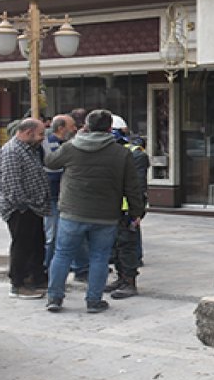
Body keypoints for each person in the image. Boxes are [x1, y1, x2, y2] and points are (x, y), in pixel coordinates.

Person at [43, 109, 146, 313]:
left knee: (62, 254)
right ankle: (93, 301)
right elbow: (132, 187)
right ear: (110, 128)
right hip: (106, 214)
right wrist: (136, 213)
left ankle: (54, 298)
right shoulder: (121, 153)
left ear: (86, 127)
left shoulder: (71, 147)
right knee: (99, 257)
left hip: (72, 211)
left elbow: (50, 162)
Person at [0, 118, 50, 299]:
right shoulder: (12, 152)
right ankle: (19, 283)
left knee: (35, 244)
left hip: (33, 206)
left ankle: (35, 278)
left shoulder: (30, 149)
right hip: (21, 208)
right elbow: (12, 185)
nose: (43, 138)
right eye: (40, 134)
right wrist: (24, 206)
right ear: (27, 132)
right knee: (22, 246)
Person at [107, 117, 149, 299]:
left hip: (127, 209)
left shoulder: (135, 154)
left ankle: (130, 282)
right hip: (112, 206)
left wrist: (136, 212)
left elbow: (137, 187)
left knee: (127, 245)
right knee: (116, 246)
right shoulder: (112, 151)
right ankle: (121, 278)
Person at [42, 114, 77, 269]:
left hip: (63, 195)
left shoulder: (64, 144)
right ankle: (47, 265)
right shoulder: (51, 145)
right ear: (61, 128)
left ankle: (79, 265)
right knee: (53, 233)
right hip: (53, 194)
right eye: (72, 126)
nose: (75, 129)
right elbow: (53, 171)